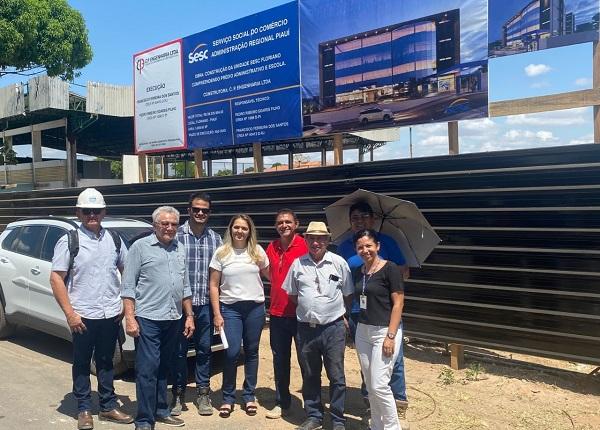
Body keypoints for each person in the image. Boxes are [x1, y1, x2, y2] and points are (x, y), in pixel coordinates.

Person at [50, 188, 134, 430]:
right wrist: (70, 314)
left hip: (110, 314)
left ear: (104, 212)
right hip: (82, 316)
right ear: (78, 212)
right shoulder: (69, 240)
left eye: (96, 211)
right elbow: (56, 278)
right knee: (82, 362)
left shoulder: (114, 240)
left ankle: (107, 406)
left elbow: (127, 271)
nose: (92, 215)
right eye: (86, 211)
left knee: (107, 362)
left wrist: (124, 303)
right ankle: (84, 408)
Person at [337, 201, 410, 429]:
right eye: (355, 218)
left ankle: (397, 405)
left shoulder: (388, 246)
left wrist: (386, 274)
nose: (359, 221)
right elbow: (345, 283)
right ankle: (374, 412)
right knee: (368, 370)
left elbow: (403, 277)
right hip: (360, 317)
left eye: (363, 216)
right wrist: (343, 313)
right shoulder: (344, 247)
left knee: (392, 364)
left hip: (385, 317)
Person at [121, 206, 195, 430]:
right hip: (148, 318)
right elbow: (128, 286)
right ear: (155, 226)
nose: (170, 228)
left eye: (174, 224)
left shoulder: (180, 249)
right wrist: (130, 318)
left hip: (173, 318)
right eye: (165, 223)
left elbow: (185, 286)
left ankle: (161, 410)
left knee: (164, 367)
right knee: (147, 369)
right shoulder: (140, 248)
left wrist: (189, 315)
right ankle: (144, 419)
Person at [282, 221, 353, 430]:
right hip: (306, 329)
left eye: (321, 238)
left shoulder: (339, 263)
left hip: (333, 328)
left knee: (336, 376)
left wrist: (337, 314)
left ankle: (338, 419)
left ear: (328, 240)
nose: (316, 242)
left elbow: (348, 295)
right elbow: (293, 295)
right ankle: (314, 415)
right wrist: (310, 308)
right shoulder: (298, 264)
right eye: (312, 238)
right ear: (306, 240)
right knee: (310, 374)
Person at [209, 214, 269, 418]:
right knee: (232, 352)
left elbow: (272, 275)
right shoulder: (221, 252)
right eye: (236, 227)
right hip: (230, 309)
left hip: (254, 308)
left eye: (244, 228)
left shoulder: (257, 251)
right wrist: (217, 314)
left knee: (251, 352)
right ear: (231, 229)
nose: (240, 231)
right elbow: (214, 285)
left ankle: (249, 395)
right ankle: (228, 397)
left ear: (250, 231)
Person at [170, 192, 222, 416]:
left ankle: (203, 393)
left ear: (209, 213)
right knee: (179, 351)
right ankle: (178, 395)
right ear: (188, 210)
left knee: (204, 350)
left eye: (205, 210)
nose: (200, 213)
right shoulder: (176, 235)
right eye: (196, 209)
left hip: (205, 307)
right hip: (181, 306)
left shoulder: (216, 239)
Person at [353, 229, 405, 430]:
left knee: (379, 385)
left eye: (369, 246)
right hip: (363, 331)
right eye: (360, 247)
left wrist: (390, 336)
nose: (365, 250)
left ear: (378, 246)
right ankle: (376, 425)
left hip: (385, 331)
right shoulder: (360, 272)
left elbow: (398, 304)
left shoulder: (390, 268)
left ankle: (392, 427)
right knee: (370, 383)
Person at [265, 209, 308, 419]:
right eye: (280, 222)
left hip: (301, 315)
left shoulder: (305, 245)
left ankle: (311, 405)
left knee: (307, 361)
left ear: (296, 223)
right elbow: (267, 272)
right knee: (280, 360)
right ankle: (282, 402)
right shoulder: (271, 247)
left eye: (288, 221)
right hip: (277, 314)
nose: (284, 225)